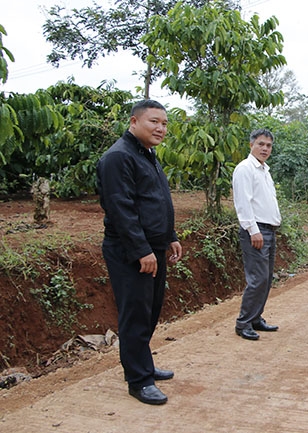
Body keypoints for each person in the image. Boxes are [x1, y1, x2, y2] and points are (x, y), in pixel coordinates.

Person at [96, 100, 182, 404]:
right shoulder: (118, 157)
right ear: (134, 122)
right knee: (135, 313)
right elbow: (121, 209)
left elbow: (156, 200)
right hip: (130, 250)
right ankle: (139, 380)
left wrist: (169, 237)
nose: (160, 128)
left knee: (150, 310)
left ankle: (142, 363)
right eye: (154, 122)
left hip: (154, 247)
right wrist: (141, 250)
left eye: (164, 123)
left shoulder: (147, 154)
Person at [232, 129, 282, 341]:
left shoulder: (264, 170)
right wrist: (253, 230)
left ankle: (255, 318)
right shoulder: (245, 169)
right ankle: (243, 323)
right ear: (251, 145)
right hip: (256, 230)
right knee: (257, 278)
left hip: (268, 229)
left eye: (269, 146)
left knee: (266, 278)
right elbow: (243, 203)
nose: (265, 149)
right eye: (261, 144)